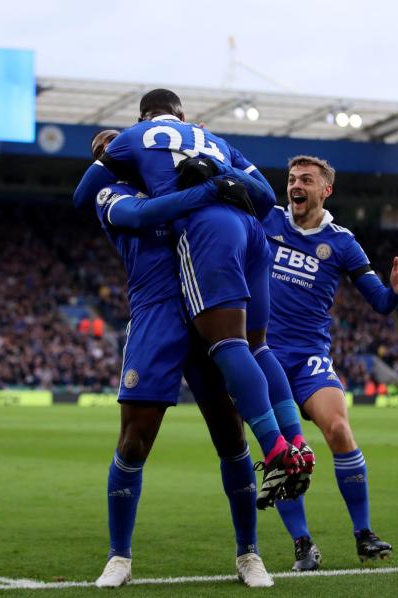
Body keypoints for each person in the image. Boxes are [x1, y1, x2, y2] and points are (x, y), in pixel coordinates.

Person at [74, 89, 313, 511]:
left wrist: (203, 192)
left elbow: (82, 197)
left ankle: (277, 449)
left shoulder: (134, 139)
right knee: (257, 347)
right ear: (183, 115)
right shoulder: (212, 140)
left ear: (142, 118)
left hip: (204, 244)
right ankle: (296, 440)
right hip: (247, 235)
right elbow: (262, 198)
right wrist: (220, 181)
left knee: (232, 348)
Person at [86, 129, 273, 588]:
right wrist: (209, 187)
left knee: (231, 438)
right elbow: (145, 212)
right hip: (156, 316)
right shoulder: (111, 194)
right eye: (105, 152)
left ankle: (249, 553)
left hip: (208, 307)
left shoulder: (181, 176)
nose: (116, 154)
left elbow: (258, 205)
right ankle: (119, 557)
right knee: (133, 441)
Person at [261, 155, 398, 569]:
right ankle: (303, 545)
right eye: (292, 178)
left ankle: (363, 533)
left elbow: (380, 302)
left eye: (306, 179)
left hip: (309, 357)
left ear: (325, 190)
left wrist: (395, 291)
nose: (296, 185)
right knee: (284, 456)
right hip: (262, 357)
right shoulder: (266, 219)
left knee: (340, 429)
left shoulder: (342, 242)